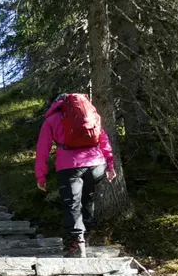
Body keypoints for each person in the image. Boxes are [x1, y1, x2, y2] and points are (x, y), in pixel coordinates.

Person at [35, 93, 117, 258]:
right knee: (88, 198)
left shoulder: (51, 119)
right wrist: (110, 164)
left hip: (69, 166)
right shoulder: (91, 114)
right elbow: (103, 139)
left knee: (72, 204)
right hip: (96, 165)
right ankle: (85, 239)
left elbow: (42, 150)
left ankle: (77, 244)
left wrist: (41, 177)